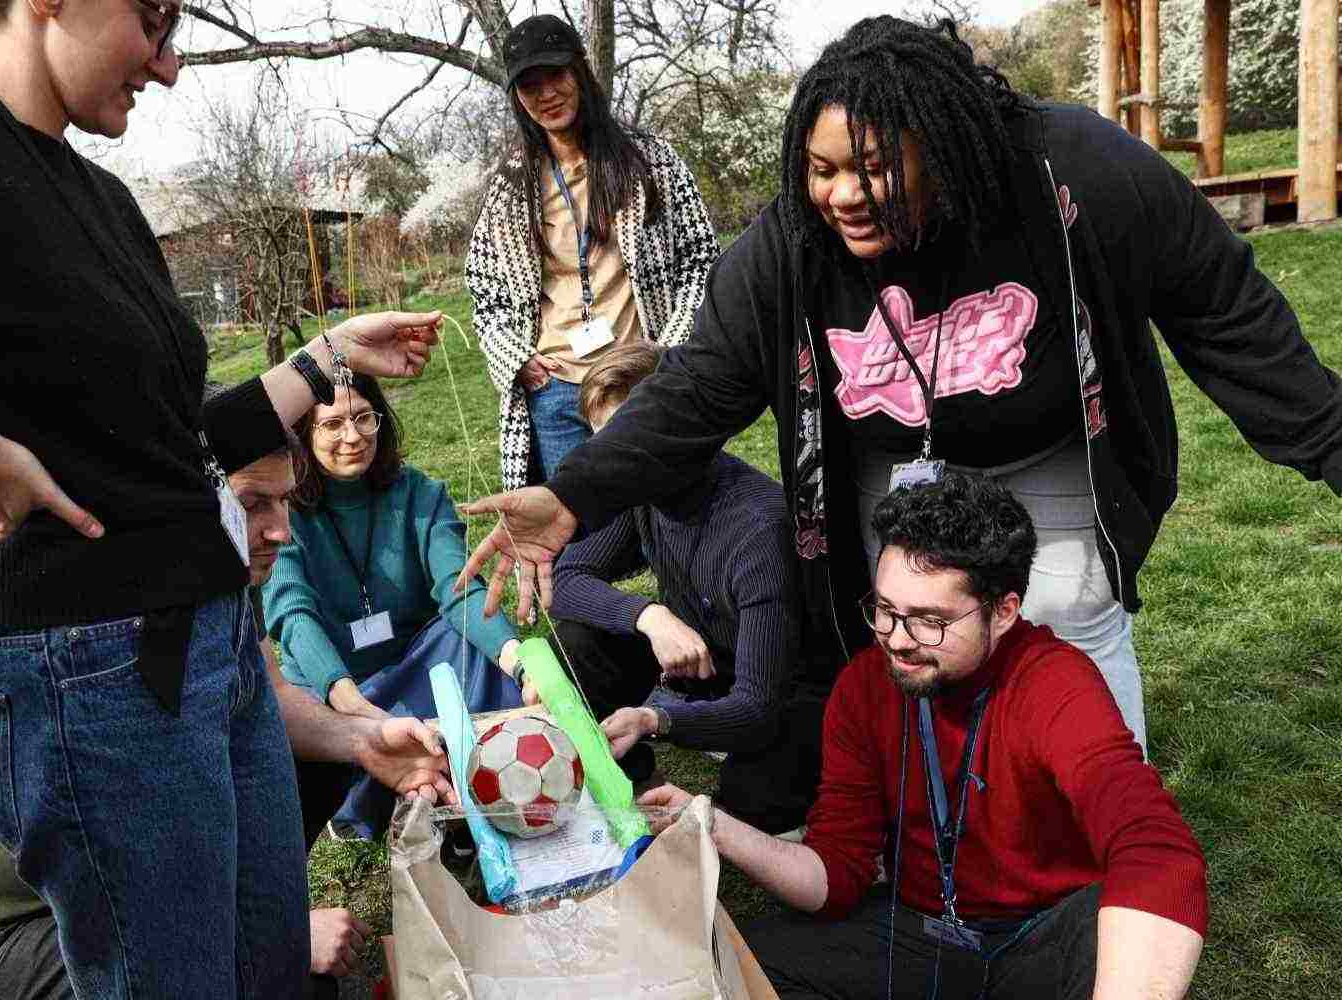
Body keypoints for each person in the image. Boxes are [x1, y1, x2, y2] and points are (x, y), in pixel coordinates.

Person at [0, 0, 440, 993]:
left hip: (213, 651)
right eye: (152, 21)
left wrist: (327, 356)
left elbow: (167, 446)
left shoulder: (101, 200)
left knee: (270, 974)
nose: (168, 67)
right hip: (90, 683)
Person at [458, 16, 1342, 756]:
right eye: (820, 168)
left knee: (1065, 612)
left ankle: (1108, 826)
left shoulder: (1079, 174)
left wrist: (1329, 441)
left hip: (1044, 448)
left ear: (946, 147)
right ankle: (951, 828)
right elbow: (698, 386)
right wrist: (575, 495)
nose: (841, 195)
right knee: (912, 637)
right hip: (893, 461)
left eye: (872, 167)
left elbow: (1229, 314)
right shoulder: (789, 245)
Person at [0, 442, 454, 1000]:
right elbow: (144, 843)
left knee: (318, 768)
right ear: (189, 501)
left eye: (285, 501)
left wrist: (365, 742)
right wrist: (271, 936)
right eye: (252, 504)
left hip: (122, 868)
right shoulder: (118, 628)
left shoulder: (215, 578)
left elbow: (265, 697)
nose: (280, 531)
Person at [643, 475, 1208, 999]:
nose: (896, 639)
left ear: (1004, 610)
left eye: (929, 621)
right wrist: (713, 824)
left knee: (1107, 921)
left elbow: (1157, 852)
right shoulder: (866, 684)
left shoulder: (1056, 684)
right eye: (885, 610)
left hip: (1045, 935)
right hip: (923, 930)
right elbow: (835, 874)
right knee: (731, 961)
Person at [548, 342, 818, 832]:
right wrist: (649, 615)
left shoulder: (757, 526)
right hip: (703, 665)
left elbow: (759, 704)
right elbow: (565, 581)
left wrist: (657, 719)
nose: (608, 463)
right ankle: (624, 773)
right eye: (601, 446)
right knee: (574, 639)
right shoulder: (640, 491)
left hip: (777, 689)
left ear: (677, 429)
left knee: (749, 807)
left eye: (622, 444)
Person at [263, 374, 527, 840]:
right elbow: (292, 614)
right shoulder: (287, 511)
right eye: (332, 424)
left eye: (364, 417)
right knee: (303, 708)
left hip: (413, 666)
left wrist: (519, 662)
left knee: (468, 644)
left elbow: (458, 588)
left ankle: (481, 768)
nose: (353, 436)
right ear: (304, 435)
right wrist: (352, 702)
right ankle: (380, 790)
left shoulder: (421, 495)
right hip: (335, 686)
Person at [467, 13, 719, 489]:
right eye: (529, 85)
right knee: (576, 539)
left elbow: (700, 260)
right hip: (556, 389)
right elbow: (484, 290)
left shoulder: (651, 164)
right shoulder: (509, 187)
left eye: (556, 75)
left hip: (641, 379)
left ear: (580, 71)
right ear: (518, 98)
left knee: (672, 527)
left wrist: (668, 349)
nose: (547, 94)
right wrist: (516, 360)